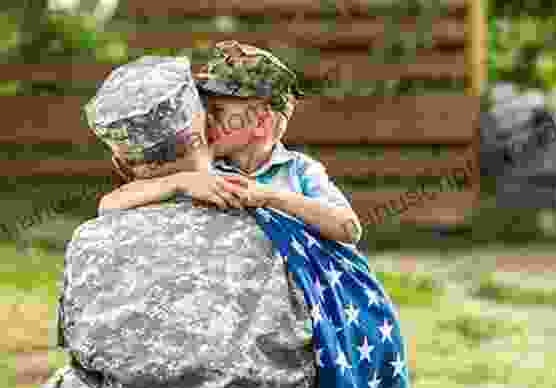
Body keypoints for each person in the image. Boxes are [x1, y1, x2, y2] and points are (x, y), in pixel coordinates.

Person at [32, 55, 322, 388]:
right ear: (205, 125)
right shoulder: (284, 220)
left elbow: (87, 356)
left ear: (120, 161)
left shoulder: (91, 244)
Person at [99, 40, 362, 246]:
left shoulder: (299, 171)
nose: (205, 118)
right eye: (203, 106)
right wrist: (180, 182)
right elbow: (109, 205)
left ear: (261, 123)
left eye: (218, 110)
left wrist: (269, 196)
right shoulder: (201, 166)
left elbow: (349, 229)